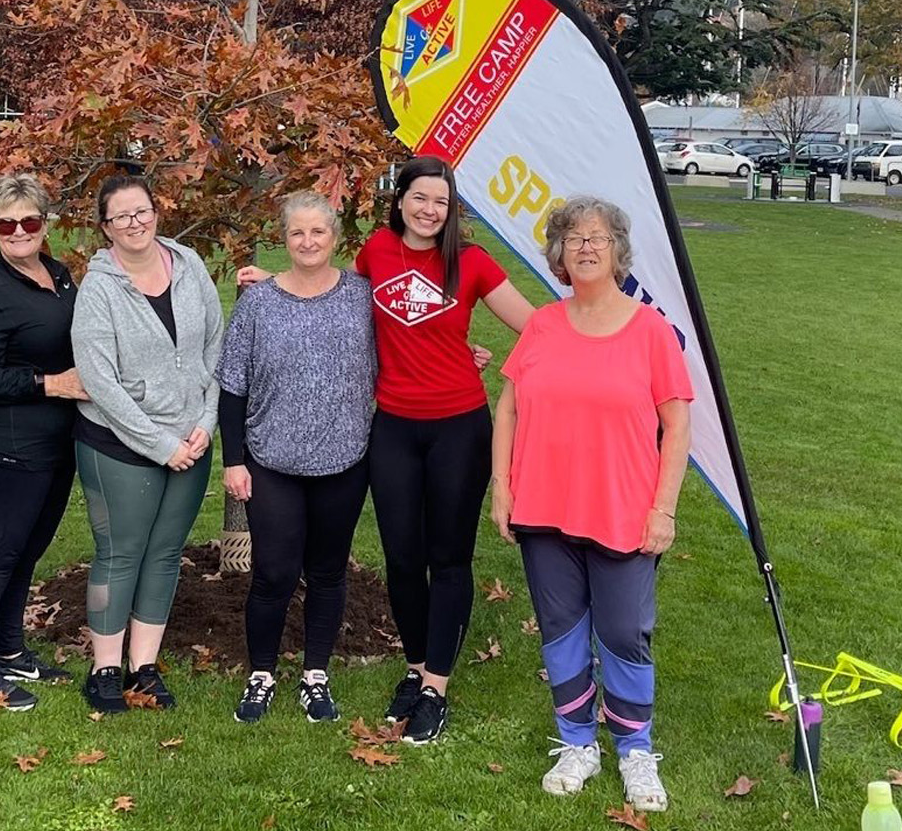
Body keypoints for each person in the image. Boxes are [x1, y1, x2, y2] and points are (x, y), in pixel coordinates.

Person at [239, 155, 533, 744]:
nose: (430, 210)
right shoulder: (375, 252)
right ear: (399, 201)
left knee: (447, 558)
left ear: (452, 212)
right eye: (420, 198)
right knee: (402, 558)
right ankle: (417, 666)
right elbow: (327, 293)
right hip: (393, 429)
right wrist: (268, 285)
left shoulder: (470, 263)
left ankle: (436, 688)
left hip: (458, 427)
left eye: (441, 202)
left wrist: (598, 329)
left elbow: (537, 327)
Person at [490, 195, 692, 813]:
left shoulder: (650, 330)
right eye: (572, 238)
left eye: (597, 237)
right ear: (557, 253)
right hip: (544, 505)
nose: (584, 246)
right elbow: (510, 405)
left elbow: (677, 426)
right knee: (561, 630)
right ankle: (578, 741)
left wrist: (664, 509)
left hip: (624, 509)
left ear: (617, 251)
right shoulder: (544, 325)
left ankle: (634, 750)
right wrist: (502, 486)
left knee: (625, 633)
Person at [217, 191, 376, 725]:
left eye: (318, 232)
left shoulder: (361, 297)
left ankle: (315, 675)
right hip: (271, 461)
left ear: (335, 236)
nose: (308, 242)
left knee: (328, 573)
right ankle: (261, 674)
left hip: (344, 461)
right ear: (283, 240)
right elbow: (232, 385)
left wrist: (459, 355)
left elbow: (407, 351)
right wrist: (233, 460)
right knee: (274, 572)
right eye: (296, 233)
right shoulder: (259, 303)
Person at [71, 173, 224, 714]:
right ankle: (105, 669)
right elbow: (100, 382)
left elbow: (213, 346)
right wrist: (162, 445)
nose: (135, 223)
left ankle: (145, 666)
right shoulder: (99, 288)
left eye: (143, 212)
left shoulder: (189, 266)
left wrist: (207, 420)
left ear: (156, 212)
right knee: (119, 554)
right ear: (105, 227)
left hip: (191, 439)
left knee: (163, 555)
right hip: (119, 444)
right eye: (121, 217)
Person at [0, 173, 86, 712]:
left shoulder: (57, 274)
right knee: (0, 551)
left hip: (56, 441)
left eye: (29, 221)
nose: (18, 231)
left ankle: (9, 649)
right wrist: (49, 383)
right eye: (6, 223)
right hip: (10, 445)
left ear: (44, 224)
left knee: (29, 549)